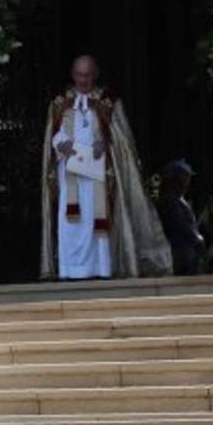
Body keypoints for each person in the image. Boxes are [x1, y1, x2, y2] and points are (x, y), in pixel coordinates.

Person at [39, 55, 173, 280]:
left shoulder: (108, 102)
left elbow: (123, 141)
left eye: (88, 75)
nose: (83, 80)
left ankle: (100, 268)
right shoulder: (60, 103)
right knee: (70, 222)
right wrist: (62, 144)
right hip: (69, 172)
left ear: (95, 75)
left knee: (96, 219)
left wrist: (107, 144)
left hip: (97, 175)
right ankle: (70, 271)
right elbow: (52, 136)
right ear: (73, 75)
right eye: (79, 75)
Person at [157, 159, 205, 276]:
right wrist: (196, 238)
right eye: (184, 178)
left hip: (188, 250)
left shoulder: (180, 200)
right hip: (179, 252)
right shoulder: (169, 202)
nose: (187, 183)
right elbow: (179, 225)